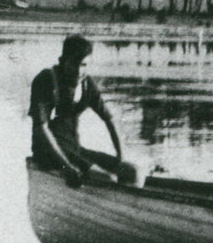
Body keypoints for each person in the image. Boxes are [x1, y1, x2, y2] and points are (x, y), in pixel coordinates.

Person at [29, 35, 137, 188]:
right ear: (63, 60)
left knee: (133, 172)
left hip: (75, 150)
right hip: (48, 154)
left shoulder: (87, 84)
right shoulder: (47, 80)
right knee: (107, 178)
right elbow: (41, 128)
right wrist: (67, 167)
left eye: (84, 65)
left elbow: (109, 120)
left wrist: (121, 158)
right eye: (74, 64)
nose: (79, 71)